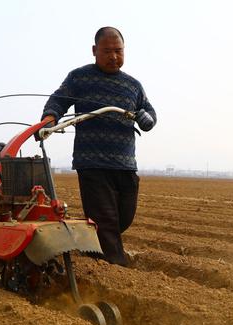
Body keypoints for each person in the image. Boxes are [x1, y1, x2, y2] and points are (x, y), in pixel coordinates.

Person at [41, 26, 157, 265]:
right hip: (92, 162)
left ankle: (92, 248)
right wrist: (50, 118)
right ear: (95, 51)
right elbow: (58, 100)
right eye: (107, 51)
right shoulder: (79, 77)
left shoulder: (132, 85)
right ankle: (116, 270)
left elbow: (149, 111)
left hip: (125, 164)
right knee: (105, 221)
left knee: (122, 218)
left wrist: (148, 118)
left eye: (118, 51)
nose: (114, 56)